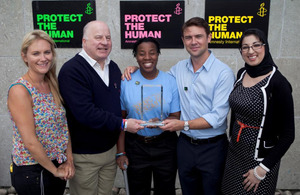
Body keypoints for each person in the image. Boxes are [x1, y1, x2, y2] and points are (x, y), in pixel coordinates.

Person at [124, 17, 235, 195]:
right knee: (188, 190)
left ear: (209, 37)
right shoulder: (178, 69)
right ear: (183, 41)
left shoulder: (223, 73)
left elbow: (217, 117)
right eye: (188, 37)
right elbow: (156, 76)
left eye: (198, 36)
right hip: (184, 146)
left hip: (212, 147)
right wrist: (137, 69)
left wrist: (182, 124)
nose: (193, 41)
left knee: (212, 191)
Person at [58, 20, 145, 195]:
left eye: (108, 37)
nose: (104, 42)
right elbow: (85, 113)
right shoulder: (72, 70)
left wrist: (137, 69)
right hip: (85, 155)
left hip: (109, 152)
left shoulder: (112, 67)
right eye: (98, 37)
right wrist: (124, 124)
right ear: (84, 41)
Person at [221, 28, 295, 195]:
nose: (251, 51)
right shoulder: (242, 73)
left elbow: (288, 135)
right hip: (234, 153)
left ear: (265, 46)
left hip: (259, 160)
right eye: (245, 47)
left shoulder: (278, 83)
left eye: (256, 45)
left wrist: (261, 170)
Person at [7, 30, 75, 195]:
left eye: (47, 52)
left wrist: (69, 160)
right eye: (36, 53)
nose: (43, 58)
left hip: (55, 165)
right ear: (25, 57)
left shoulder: (51, 83)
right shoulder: (20, 90)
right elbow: (30, 141)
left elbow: (63, 127)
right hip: (33, 171)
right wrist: (54, 170)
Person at [116, 37, 181, 195]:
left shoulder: (170, 81)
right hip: (136, 146)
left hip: (165, 145)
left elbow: (175, 116)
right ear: (136, 56)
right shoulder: (126, 82)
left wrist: (161, 122)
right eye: (141, 53)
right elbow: (120, 121)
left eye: (152, 53)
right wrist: (121, 152)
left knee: (166, 191)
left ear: (158, 54)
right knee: (138, 190)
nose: (147, 57)